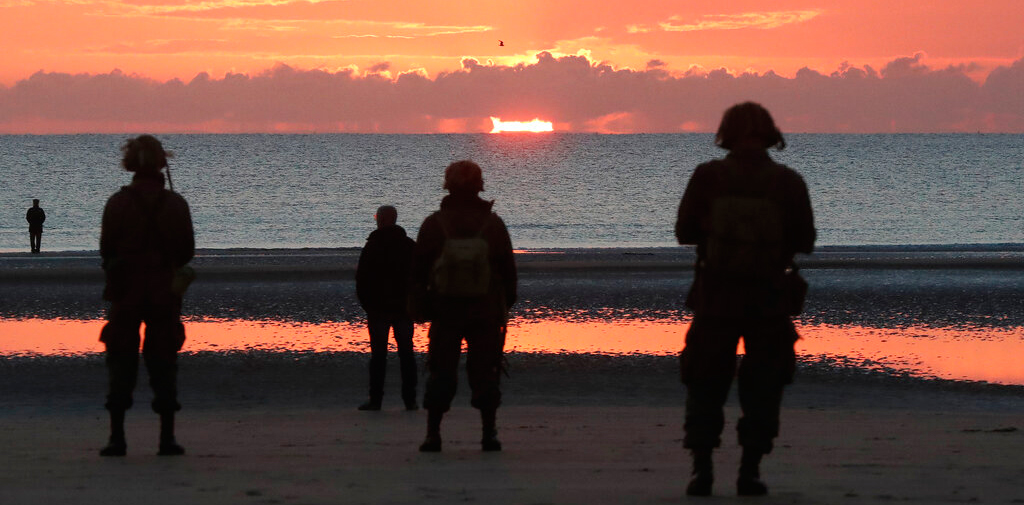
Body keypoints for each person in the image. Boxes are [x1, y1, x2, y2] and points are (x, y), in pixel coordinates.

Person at [675, 102, 815, 496]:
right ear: (770, 133)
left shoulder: (708, 177)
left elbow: (683, 232)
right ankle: (749, 471)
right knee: (764, 385)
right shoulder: (787, 181)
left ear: (727, 133)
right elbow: (806, 241)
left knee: (704, 382)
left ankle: (701, 470)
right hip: (769, 299)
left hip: (715, 295)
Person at [410, 160, 517, 452]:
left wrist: (421, 307)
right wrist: (503, 304)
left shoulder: (434, 223)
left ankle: (433, 434)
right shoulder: (492, 224)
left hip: (446, 309)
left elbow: (418, 271)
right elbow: (509, 271)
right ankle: (488, 433)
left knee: (440, 369)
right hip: (485, 309)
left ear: (448, 184)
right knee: (486, 369)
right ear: (479, 185)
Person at [98, 135, 194, 457]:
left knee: (121, 360)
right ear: (160, 163)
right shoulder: (176, 204)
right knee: (164, 360)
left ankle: (117, 438)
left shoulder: (117, 203)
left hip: (126, 292)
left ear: (130, 164)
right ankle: (167, 438)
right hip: (163, 292)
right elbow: (186, 252)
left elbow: (106, 250)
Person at [355, 205, 418, 411]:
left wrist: (368, 305)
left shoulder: (373, 246)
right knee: (406, 354)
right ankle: (410, 400)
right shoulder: (408, 245)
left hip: (380, 308)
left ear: (381, 220)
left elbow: (362, 279)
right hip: (401, 308)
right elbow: (419, 275)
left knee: (379, 355)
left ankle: (376, 400)